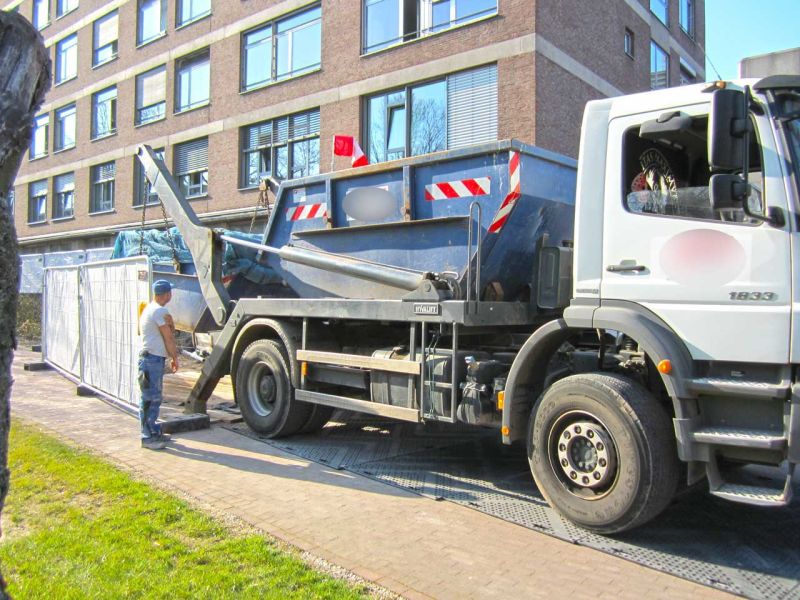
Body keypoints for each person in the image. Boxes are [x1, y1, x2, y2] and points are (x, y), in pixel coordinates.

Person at [138, 279, 179, 450]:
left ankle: (153, 430)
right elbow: (168, 337)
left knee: (154, 396)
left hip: (152, 359)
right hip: (151, 359)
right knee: (150, 398)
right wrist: (174, 358)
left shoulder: (151, 308)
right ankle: (147, 437)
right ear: (167, 294)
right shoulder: (159, 311)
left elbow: (169, 330)